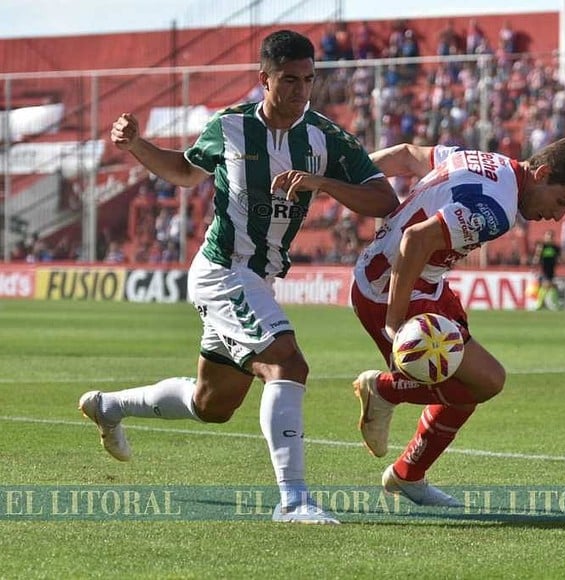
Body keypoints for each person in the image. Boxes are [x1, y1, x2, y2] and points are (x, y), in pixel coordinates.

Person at [77, 29, 398, 524]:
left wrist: (323, 183)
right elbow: (185, 172)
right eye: (289, 80)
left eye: (308, 79)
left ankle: (109, 406)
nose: (300, 90)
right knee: (287, 365)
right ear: (263, 79)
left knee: (212, 405)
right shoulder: (229, 127)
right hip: (224, 270)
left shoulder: (324, 138)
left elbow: (384, 201)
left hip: (259, 279)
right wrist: (138, 145)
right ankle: (294, 502)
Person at [350, 135, 565, 505]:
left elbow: (406, 156)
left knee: (468, 389)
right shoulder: (495, 209)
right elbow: (415, 241)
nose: (558, 217)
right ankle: (385, 391)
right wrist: (394, 321)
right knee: (487, 381)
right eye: (562, 202)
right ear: (543, 173)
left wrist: (345, 174)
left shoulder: (486, 161)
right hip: (391, 289)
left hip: (424, 283)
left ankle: (408, 474)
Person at [532, 229, 561, 310]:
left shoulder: (556, 247)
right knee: (547, 285)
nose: (549, 237)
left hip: (552, 269)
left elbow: (559, 258)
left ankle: (543, 304)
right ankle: (542, 304)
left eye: (551, 236)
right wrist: (535, 265)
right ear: (545, 237)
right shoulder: (542, 246)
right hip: (544, 269)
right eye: (548, 236)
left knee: (550, 286)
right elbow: (537, 257)